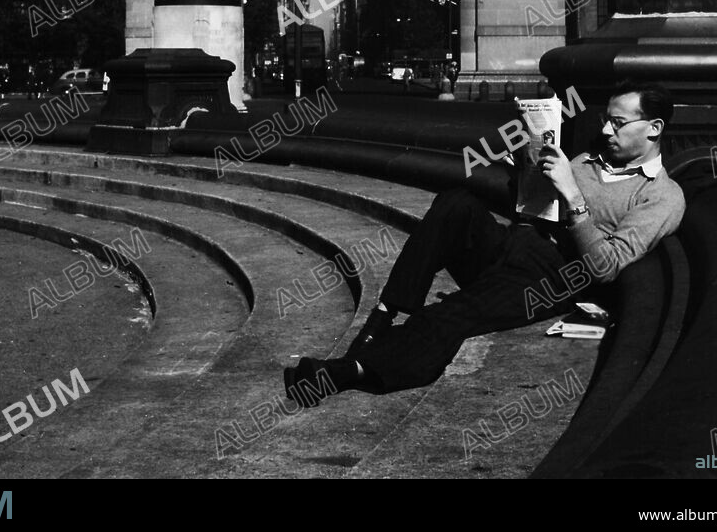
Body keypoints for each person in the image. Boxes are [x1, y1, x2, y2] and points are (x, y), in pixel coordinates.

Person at [284, 79, 685, 406]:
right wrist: (524, 166)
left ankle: (350, 371)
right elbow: (532, 203)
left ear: (654, 128)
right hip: (518, 239)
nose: (605, 131)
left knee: (454, 314)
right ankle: (385, 315)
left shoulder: (662, 196)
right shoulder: (587, 161)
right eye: (606, 121)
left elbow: (605, 267)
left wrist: (574, 198)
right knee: (456, 204)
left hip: (553, 275)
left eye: (618, 124)